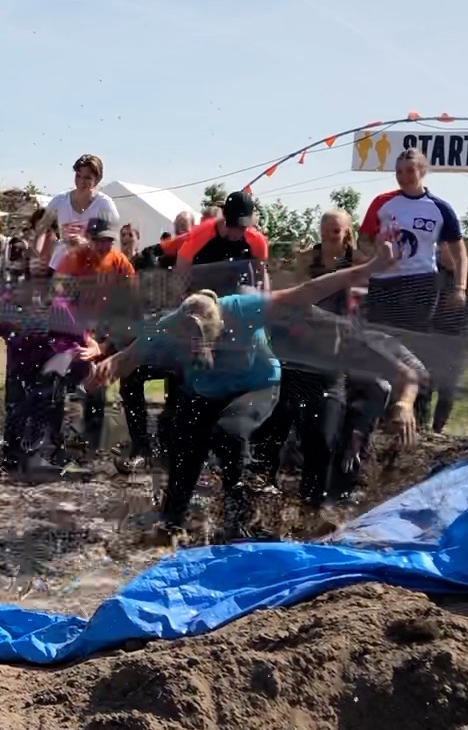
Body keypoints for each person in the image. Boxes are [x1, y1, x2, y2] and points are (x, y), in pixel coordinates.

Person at [87, 234, 413, 539]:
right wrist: (107, 367)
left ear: (221, 326)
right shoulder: (168, 326)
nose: (200, 349)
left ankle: (238, 519)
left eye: (207, 343)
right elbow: (128, 357)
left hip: (254, 385)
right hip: (206, 390)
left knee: (229, 432)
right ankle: (171, 524)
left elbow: (311, 290)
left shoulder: (243, 310)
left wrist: (370, 268)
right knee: (184, 445)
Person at [0, 215, 138, 477]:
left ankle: (52, 451)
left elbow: (68, 316)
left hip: (52, 353)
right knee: (20, 404)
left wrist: (92, 344)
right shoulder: (22, 281)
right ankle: (17, 457)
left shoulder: (56, 279)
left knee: (52, 393)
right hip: (24, 356)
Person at [250, 209, 364, 509]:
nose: (329, 235)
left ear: (347, 233)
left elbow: (358, 314)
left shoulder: (358, 265)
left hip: (332, 363)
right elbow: (289, 298)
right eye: (325, 229)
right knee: (273, 427)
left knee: (322, 439)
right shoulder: (305, 261)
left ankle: (313, 503)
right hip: (295, 358)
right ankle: (260, 489)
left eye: (336, 230)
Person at [358, 148, 468, 336]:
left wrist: (460, 288)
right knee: (378, 339)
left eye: (410, 170)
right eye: (399, 172)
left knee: (412, 340)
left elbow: (460, 255)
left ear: (422, 171)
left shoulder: (440, 208)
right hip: (383, 282)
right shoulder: (382, 202)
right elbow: (363, 240)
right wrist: (375, 252)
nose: (404, 176)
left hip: (420, 282)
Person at [418, 261, 468, 433]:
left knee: (448, 387)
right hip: (429, 334)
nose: (442, 252)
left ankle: (437, 430)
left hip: (458, 338)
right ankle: (420, 427)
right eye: (441, 247)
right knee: (423, 382)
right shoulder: (431, 266)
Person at [37, 154, 120, 276]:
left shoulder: (104, 204)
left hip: (90, 269)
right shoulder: (60, 200)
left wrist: (86, 242)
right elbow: (41, 228)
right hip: (59, 266)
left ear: (97, 180)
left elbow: (114, 237)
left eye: (87, 178)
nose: (81, 181)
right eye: (78, 175)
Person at [177, 190, 270, 293]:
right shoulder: (200, 235)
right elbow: (182, 263)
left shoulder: (256, 241)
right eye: (233, 226)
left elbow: (262, 272)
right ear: (225, 218)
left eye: (242, 228)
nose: (237, 233)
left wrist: (265, 302)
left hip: (236, 293)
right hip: (204, 291)